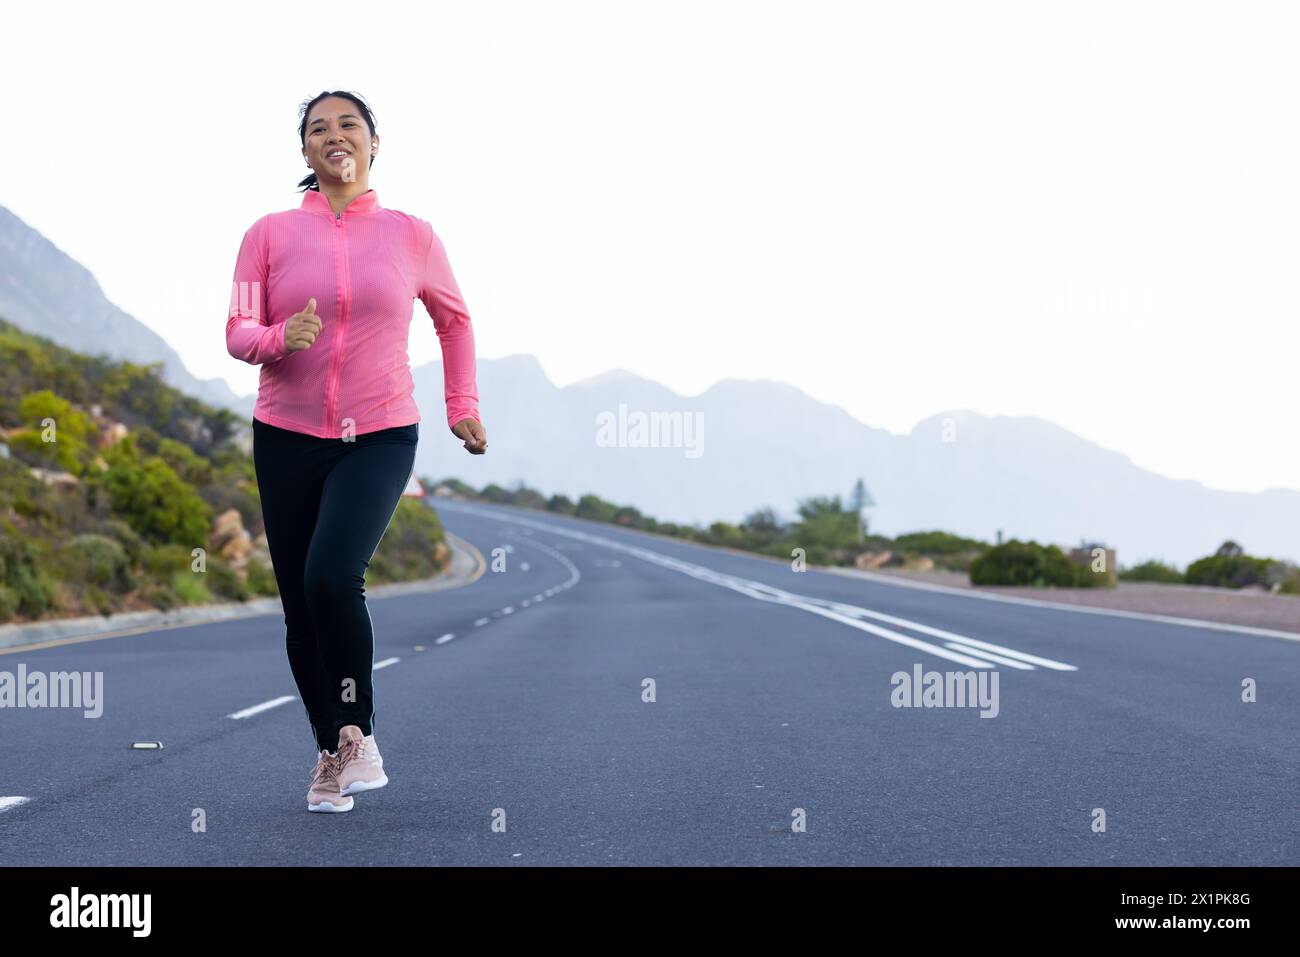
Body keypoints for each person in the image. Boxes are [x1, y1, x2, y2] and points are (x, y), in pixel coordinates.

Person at [226, 90, 488, 812]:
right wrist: (282, 338)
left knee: (333, 575)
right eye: (318, 129)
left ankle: (356, 731)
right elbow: (239, 330)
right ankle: (327, 752)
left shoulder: (412, 236)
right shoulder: (268, 234)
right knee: (299, 609)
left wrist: (461, 405)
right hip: (285, 434)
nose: (334, 135)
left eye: (348, 125)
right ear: (305, 153)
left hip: (377, 431)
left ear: (374, 144)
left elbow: (455, 321)